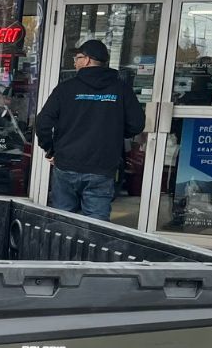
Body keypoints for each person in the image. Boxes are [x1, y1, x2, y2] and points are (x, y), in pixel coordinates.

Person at [35, 39, 145, 221]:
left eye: (77, 57)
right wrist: (116, 133)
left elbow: (43, 122)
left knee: (62, 220)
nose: (74, 62)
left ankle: (61, 250)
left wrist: (50, 149)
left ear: (87, 60)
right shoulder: (121, 89)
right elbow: (136, 124)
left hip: (67, 164)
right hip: (102, 166)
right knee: (96, 224)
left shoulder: (66, 89)